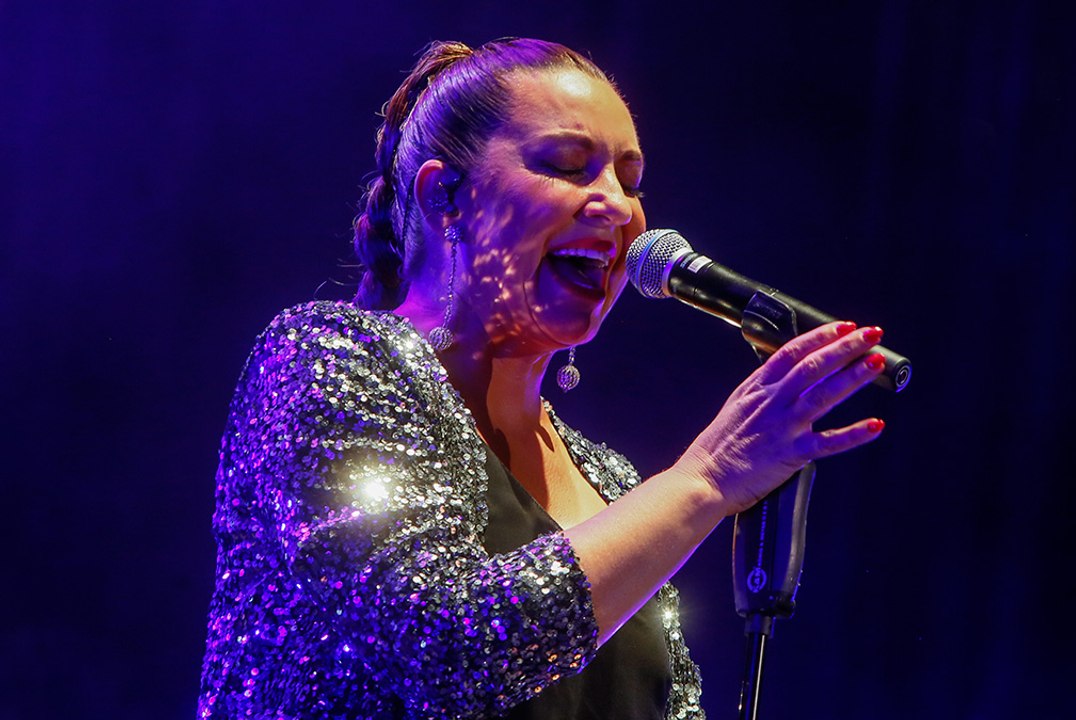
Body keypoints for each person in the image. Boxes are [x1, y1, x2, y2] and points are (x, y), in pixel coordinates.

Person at [198, 37, 888, 720]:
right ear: (446, 196)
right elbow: (444, 652)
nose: (618, 207)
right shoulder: (327, 359)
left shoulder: (613, 483)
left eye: (630, 179)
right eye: (566, 165)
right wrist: (705, 480)